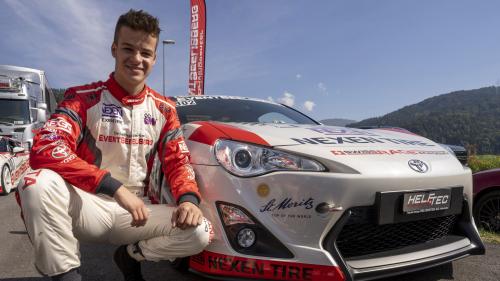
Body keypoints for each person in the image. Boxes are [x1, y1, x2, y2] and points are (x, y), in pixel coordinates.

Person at [16, 9, 212, 281]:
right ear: (114, 49)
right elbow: (46, 147)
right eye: (128, 49)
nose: (136, 59)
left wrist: (188, 199)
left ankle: (131, 255)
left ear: (154, 58)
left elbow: (178, 162)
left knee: (200, 229)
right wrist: (114, 187)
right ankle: (66, 276)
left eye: (145, 53)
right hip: (88, 207)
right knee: (35, 183)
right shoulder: (82, 98)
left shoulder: (165, 110)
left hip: (139, 215)